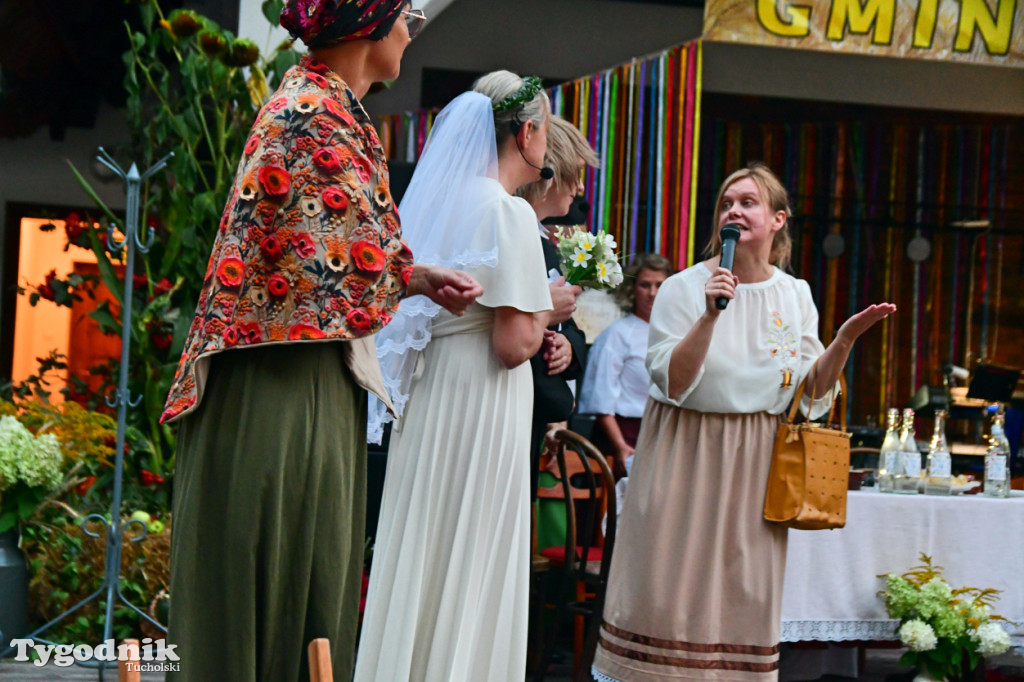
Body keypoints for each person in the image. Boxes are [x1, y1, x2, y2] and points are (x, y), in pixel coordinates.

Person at [160, 3, 483, 680]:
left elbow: (334, 255)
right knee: (276, 596)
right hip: (278, 384)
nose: (412, 30)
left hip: (311, 374)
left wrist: (412, 276)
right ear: (368, 25)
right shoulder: (311, 113)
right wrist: (402, 274)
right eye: (407, 16)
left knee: (306, 592)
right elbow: (324, 265)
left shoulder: (335, 112)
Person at [592, 163, 895, 682]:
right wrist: (711, 314)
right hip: (684, 453)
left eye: (748, 201)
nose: (734, 209)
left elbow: (810, 394)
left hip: (758, 460)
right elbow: (672, 380)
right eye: (727, 202)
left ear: (778, 219)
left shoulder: (795, 294)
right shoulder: (685, 288)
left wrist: (843, 341)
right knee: (669, 594)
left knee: (741, 596)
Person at [355, 71, 553, 682]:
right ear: (525, 134)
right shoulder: (509, 213)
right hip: (482, 402)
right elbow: (514, 342)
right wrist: (550, 306)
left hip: (433, 395)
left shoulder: (439, 202)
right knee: (470, 555)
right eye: (544, 129)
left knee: (423, 547)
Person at [518, 115, 599, 498]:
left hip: (535, 413)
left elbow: (573, 331)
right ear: (549, 172)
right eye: (574, 173)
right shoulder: (514, 235)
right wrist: (544, 315)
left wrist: (568, 348)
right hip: (511, 406)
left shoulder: (548, 245)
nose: (581, 187)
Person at [578, 253, 674, 478]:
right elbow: (600, 399)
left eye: (660, 285)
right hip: (622, 437)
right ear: (632, 289)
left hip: (663, 433)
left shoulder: (676, 333)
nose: (652, 293)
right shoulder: (617, 335)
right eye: (645, 285)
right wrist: (620, 445)